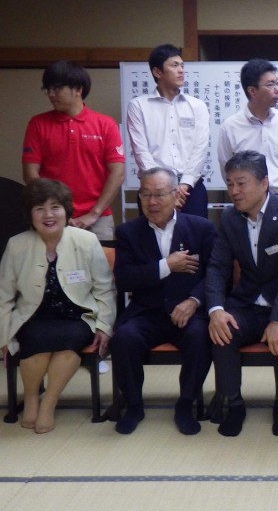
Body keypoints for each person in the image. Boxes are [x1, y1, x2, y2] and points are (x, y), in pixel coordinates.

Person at [0, 178, 115, 434]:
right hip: (33, 316)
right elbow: (1, 295)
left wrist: (104, 326)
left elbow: (105, 289)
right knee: (35, 342)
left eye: (55, 207)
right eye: (40, 208)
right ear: (30, 215)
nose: (48, 215)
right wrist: (3, 335)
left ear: (66, 210)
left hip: (77, 317)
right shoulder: (17, 245)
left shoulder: (87, 240)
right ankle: (31, 398)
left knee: (68, 343)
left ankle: (48, 402)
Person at [205, 151, 278, 437]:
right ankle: (235, 404)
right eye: (230, 184)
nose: (234, 191)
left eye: (241, 183)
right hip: (248, 303)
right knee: (222, 331)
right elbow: (217, 267)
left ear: (264, 183)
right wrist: (216, 310)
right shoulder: (230, 218)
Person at [109, 167, 216, 435]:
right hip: (147, 311)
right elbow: (124, 279)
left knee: (200, 336)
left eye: (159, 194)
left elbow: (215, 274)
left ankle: (186, 404)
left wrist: (193, 301)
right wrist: (166, 265)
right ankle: (134, 405)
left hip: (187, 311)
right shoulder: (128, 232)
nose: (152, 202)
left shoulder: (201, 228)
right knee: (124, 338)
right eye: (145, 195)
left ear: (176, 195)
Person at [22, 60, 125, 241]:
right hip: (51, 219)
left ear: (78, 89)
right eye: (48, 89)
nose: (51, 94)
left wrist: (94, 214)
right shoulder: (38, 124)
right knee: (48, 260)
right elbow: (30, 174)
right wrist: (54, 211)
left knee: (102, 260)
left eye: (56, 88)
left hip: (98, 219)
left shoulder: (105, 124)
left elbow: (118, 173)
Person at [126, 44, 211, 217]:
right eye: (174, 65)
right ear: (157, 72)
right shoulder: (138, 106)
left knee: (195, 233)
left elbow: (200, 149)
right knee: (152, 235)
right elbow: (141, 151)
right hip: (153, 191)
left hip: (190, 189)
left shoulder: (197, 106)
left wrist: (184, 185)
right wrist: (161, 188)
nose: (181, 70)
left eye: (182, 65)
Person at [218, 58, 278, 197]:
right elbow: (227, 168)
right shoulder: (230, 127)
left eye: (277, 83)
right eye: (270, 85)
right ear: (252, 91)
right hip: (247, 198)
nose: (277, 89)